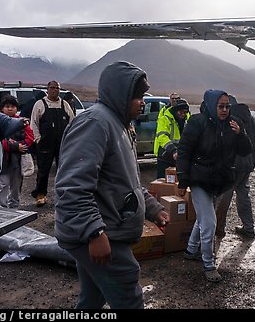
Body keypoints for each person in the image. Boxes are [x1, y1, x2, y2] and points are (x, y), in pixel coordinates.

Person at [54, 61, 169, 309]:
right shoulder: (95, 123)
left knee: (92, 297)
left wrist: (152, 208)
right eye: (136, 96)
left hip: (105, 227)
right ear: (120, 94)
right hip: (99, 231)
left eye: (143, 95)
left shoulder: (119, 124)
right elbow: (72, 186)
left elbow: (126, 181)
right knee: (128, 296)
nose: (143, 102)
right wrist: (93, 232)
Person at [176, 89, 252, 282]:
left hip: (219, 181)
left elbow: (245, 151)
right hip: (199, 179)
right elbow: (184, 151)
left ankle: (191, 249)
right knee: (209, 222)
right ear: (211, 105)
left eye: (227, 106)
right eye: (221, 106)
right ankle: (209, 264)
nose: (225, 110)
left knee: (203, 216)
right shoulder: (197, 122)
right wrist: (182, 180)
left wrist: (241, 134)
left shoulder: (233, 124)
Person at [215, 99, 255, 239]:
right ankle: (248, 228)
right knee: (243, 195)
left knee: (224, 196)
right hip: (248, 165)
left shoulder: (231, 121)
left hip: (234, 166)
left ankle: (219, 229)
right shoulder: (252, 119)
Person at [30, 81, 75, 207]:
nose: (55, 90)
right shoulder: (40, 104)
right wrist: (38, 139)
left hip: (62, 144)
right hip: (45, 144)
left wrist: (70, 141)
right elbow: (34, 124)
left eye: (57, 88)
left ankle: (64, 195)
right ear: (47, 89)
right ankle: (40, 195)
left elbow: (72, 123)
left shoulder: (64, 104)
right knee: (43, 171)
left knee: (64, 171)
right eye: (52, 88)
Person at [0, 95, 34, 208]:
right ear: (2, 108)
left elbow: (30, 136)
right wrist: (16, 146)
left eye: (12, 106)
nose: (10, 109)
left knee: (16, 184)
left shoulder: (22, 121)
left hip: (18, 160)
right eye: (7, 106)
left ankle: (14, 205)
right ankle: (1, 206)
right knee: (3, 183)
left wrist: (23, 146)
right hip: (3, 159)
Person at [153, 98, 190, 178]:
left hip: (179, 158)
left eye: (185, 112)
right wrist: (173, 150)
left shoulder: (187, 120)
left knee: (177, 183)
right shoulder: (164, 119)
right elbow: (162, 137)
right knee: (163, 182)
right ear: (175, 111)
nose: (183, 114)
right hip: (165, 156)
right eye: (181, 112)